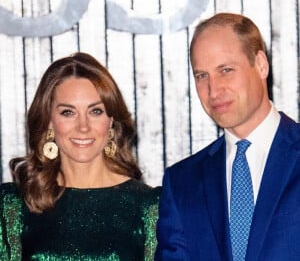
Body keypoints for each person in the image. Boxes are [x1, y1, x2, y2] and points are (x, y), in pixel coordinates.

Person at [155, 13, 300, 260]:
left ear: (261, 65)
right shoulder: (182, 183)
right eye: (202, 75)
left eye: (226, 70)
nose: (214, 89)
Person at [0, 52, 160, 260]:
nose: (83, 127)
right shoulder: (12, 205)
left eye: (95, 112)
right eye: (68, 112)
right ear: (49, 120)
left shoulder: (149, 206)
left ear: (111, 120)